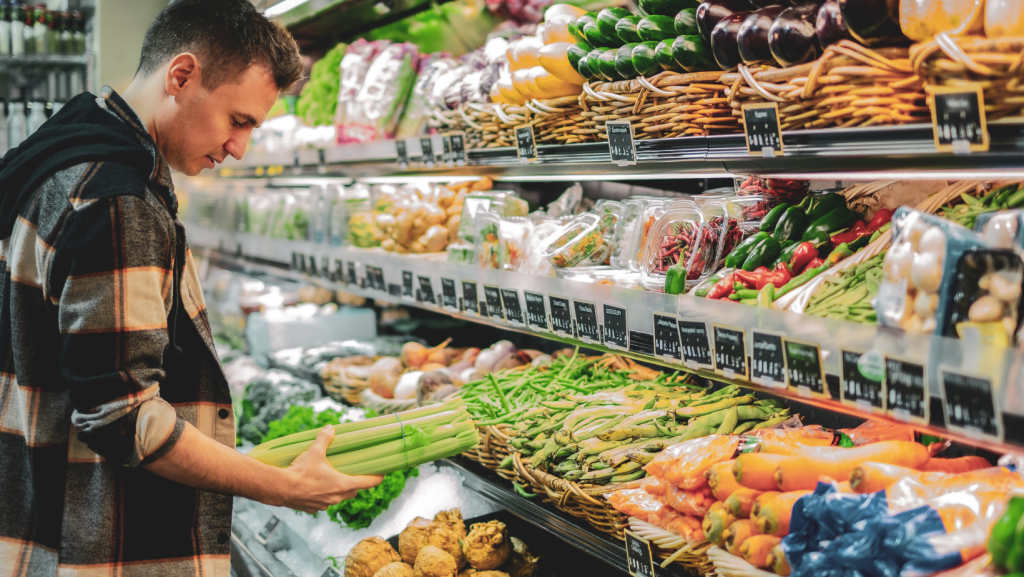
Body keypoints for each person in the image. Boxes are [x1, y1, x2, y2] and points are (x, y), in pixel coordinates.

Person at [0, 1, 382, 574]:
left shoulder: (56, 156)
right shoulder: (115, 201)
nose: (238, 148)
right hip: (101, 548)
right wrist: (281, 484)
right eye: (239, 120)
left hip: (38, 524)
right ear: (181, 76)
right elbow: (120, 416)